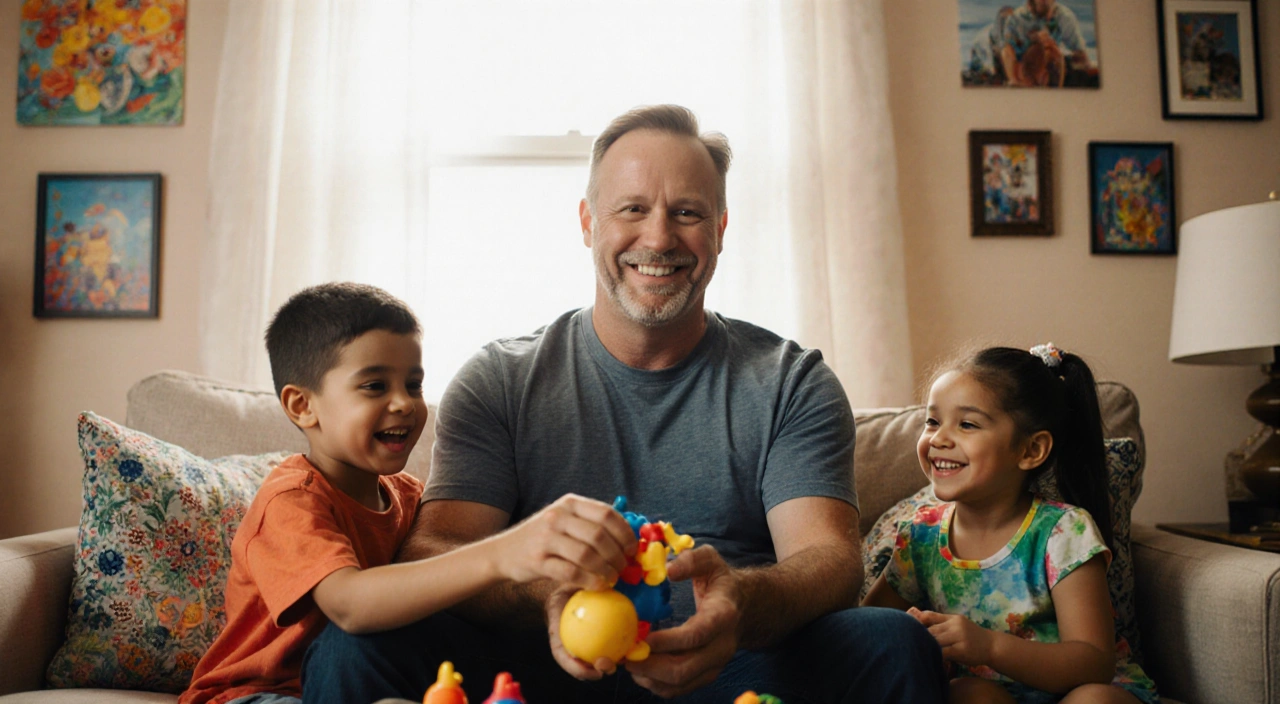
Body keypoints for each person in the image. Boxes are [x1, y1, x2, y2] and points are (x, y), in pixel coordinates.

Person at [300, 105, 947, 703]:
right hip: (532, 668)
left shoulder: (790, 381)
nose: (659, 237)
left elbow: (829, 561)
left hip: (728, 665)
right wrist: (550, 592)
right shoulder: (499, 377)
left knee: (892, 644)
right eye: (632, 209)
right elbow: (434, 549)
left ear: (720, 230)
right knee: (354, 645)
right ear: (588, 223)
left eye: (688, 212)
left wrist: (735, 606)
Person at [181, 283, 630, 704]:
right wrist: (500, 555)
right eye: (375, 386)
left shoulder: (410, 497)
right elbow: (349, 606)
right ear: (303, 406)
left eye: (412, 384)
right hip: (255, 695)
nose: (404, 403)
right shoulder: (291, 501)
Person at [862, 344, 1159, 704]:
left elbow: (1094, 663)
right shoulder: (920, 537)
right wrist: (916, 637)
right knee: (967, 694)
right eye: (932, 421)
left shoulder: (1063, 531)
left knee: (1094, 701)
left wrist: (988, 647)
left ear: (1031, 450)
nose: (938, 438)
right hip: (993, 697)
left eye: (967, 424)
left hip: (1082, 691)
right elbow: (867, 631)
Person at [1000, 0, 1093, 87]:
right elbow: (1007, 51)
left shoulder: (1064, 17)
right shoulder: (1016, 18)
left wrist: (1056, 49)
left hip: (1053, 73)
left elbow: (1080, 53)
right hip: (1024, 71)